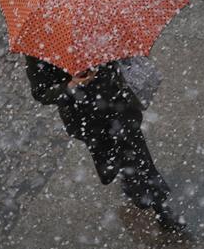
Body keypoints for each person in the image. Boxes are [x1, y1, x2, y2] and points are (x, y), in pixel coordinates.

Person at [25, 55, 181, 228]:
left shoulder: (92, 30)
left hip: (116, 102)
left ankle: (160, 208)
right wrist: (71, 85)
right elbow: (41, 92)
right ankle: (129, 181)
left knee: (138, 155)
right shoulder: (40, 52)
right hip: (86, 117)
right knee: (113, 157)